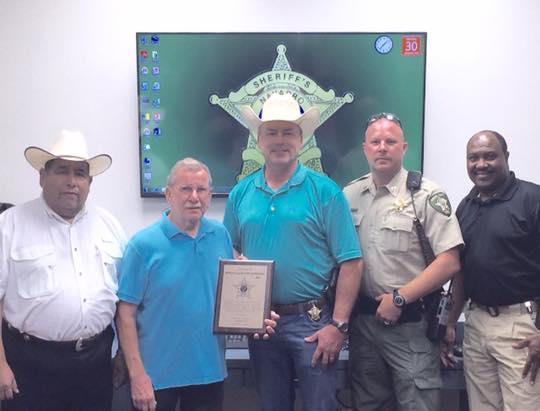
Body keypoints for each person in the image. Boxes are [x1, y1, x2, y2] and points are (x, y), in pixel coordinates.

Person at [223, 93, 363, 411]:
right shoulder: (240, 193)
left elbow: (351, 262)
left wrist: (338, 326)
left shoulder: (325, 191)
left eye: (288, 132)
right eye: (271, 132)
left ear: (302, 139)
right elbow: (229, 250)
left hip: (313, 323)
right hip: (261, 322)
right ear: (258, 140)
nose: (280, 140)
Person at [116, 158, 277, 411]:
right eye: (185, 189)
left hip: (209, 372)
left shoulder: (220, 235)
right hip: (156, 378)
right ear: (168, 194)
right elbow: (125, 315)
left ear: (210, 195)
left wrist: (256, 316)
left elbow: (231, 294)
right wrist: (137, 375)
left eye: (201, 190)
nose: (194, 197)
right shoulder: (142, 245)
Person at [343, 112, 463, 411]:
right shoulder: (349, 195)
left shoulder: (425, 194)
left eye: (390, 141)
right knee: (367, 404)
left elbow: (449, 261)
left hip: (411, 326)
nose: (382, 147)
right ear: (365, 148)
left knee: (418, 405)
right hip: (364, 325)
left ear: (404, 147)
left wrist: (399, 298)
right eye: (375, 142)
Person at [0, 130, 126, 411]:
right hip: (29, 365)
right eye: (62, 171)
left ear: (90, 183)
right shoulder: (9, 225)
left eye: (80, 173)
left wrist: (124, 355)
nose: (71, 182)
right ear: (42, 176)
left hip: (95, 364)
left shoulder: (109, 225)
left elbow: (124, 301)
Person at [441, 130, 540, 410]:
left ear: (506, 157)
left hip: (522, 328)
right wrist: (449, 324)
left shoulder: (533, 199)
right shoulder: (466, 206)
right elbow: (461, 271)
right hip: (476, 325)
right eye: (473, 158)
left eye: (489, 156)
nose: (480, 164)